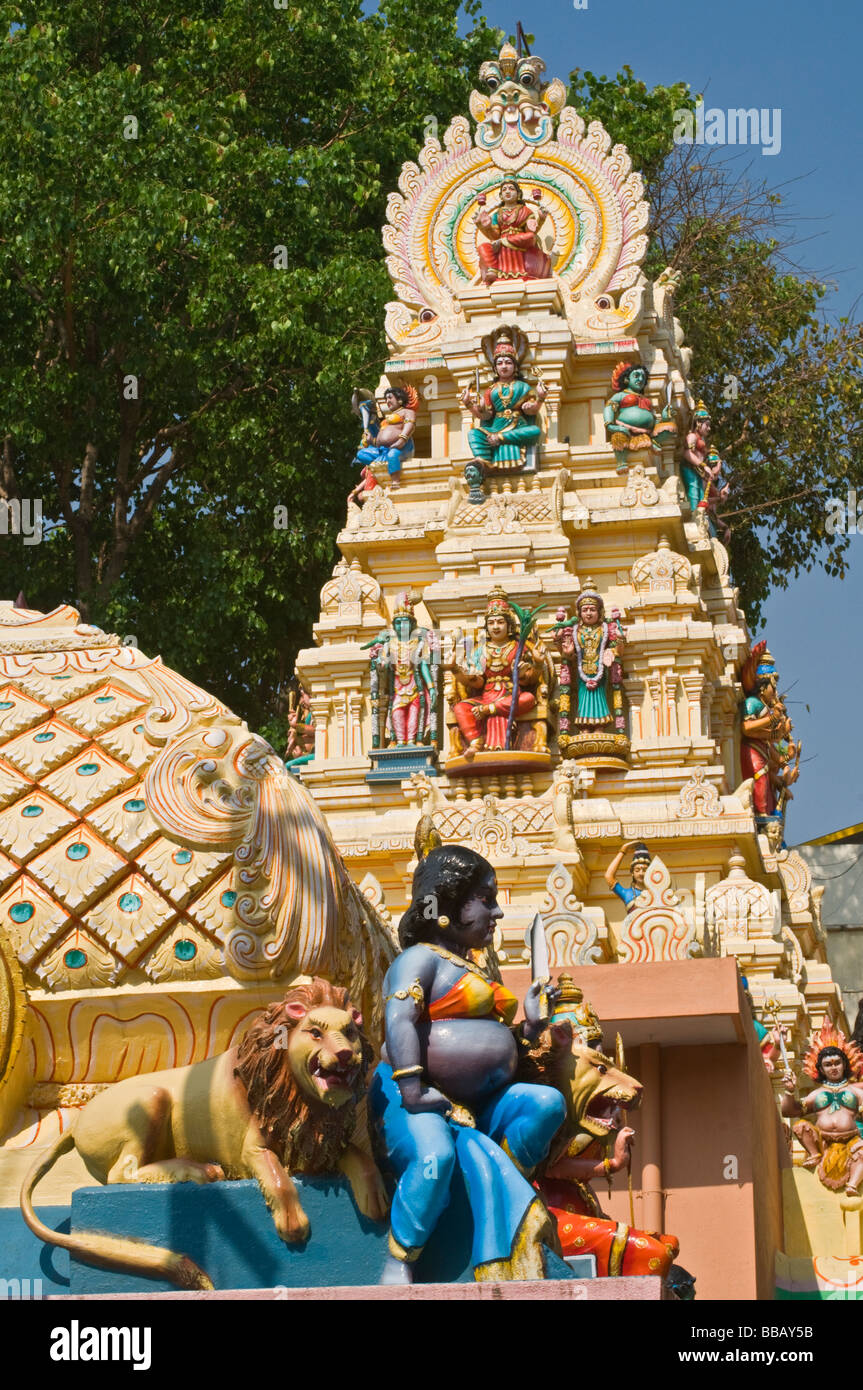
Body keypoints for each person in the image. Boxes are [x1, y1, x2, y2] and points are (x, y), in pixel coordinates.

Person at [370, 845, 566, 1284]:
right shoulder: (419, 959)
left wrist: (530, 1029)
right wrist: (413, 1090)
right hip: (414, 1097)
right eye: (486, 899)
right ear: (451, 901)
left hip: (478, 1106)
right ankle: (399, 1261)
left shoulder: (474, 969)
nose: (496, 913)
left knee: (545, 1104)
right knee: (435, 1157)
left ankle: (500, 1196)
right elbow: (397, 1018)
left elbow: (490, 1045)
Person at [450, 588, 540, 758]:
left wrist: (525, 672)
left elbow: (530, 680)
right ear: (486, 626)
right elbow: (477, 683)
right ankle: (475, 742)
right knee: (461, 707)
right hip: (486, 695)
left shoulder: (518, 647)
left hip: (511, 694)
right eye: (491, 623)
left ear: (509, 625)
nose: (496, 627)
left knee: (529, 699)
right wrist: (455, 669)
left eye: (500, 622)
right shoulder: (480, 650)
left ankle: (489, 710)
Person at [782, 1033, 863, 1196]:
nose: (833, 1068)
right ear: (820, 1069)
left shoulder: (856, 1091)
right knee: (800, 1126)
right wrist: (789, 1091)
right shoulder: (816, 1094)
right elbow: (789, 1111)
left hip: (851, 1140)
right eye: (828, 1064)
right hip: (823, 1141)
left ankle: (853, 1184)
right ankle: (814, 1154)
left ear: (845, 1065)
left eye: (837, 1063)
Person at [460, 335, 546, 475]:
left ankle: (500, 439)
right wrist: (469, 404)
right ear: (495, 368)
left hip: (517, 426)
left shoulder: (523, 387)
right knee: (474, 434)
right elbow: (486, 415)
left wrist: (540, 399)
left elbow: (532, 411)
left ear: (515, 366)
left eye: (508, 362)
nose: (504, 366)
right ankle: (482, 461)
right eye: (499, 363)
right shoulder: (491, 390)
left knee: (535, 431)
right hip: (495, 426)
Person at [473, 178, 551, 284]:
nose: (507, 191)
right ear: (501, 196)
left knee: (530, 236)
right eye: (504, 189)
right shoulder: (497, 214)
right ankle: (494, 270)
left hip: (519, 241)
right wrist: (483, 226)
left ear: (518, 194)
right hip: (501, 243)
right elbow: (495, 236)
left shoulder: (526, 211)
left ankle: (505, 251)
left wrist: (541, 219)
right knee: (483, 247)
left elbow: (531, 231)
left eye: (511, 189)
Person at [352, 385, 418, 489]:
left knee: (392, 455)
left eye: (390, 397)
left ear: (400, 400)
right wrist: (371, 440)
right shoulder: (385, 420)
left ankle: (395, 481)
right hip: (383, 450)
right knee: (361, 454)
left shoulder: (407, 412)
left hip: (402, 447)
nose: (387, 401)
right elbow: (379, 440)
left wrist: (402, 439)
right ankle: (381, 465)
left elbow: (410, 425)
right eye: (386, 398)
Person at [604, 841, 651, 913]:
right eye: (637, 870)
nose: (641, 873)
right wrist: (623, 850)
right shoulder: (628, 893)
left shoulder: (654, 893)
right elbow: (608, 876)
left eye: (644, 870)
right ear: (632, 873)